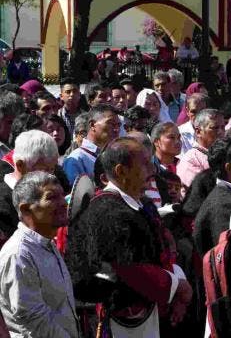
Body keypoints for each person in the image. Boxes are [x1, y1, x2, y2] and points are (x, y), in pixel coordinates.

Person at [65, 138, 192, 338]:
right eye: (145, 164)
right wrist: (176, 286)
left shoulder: (141, 205)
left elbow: (164, 248)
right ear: (121, 171)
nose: (153, 171)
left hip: (147, 315)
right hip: (122, 321)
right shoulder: (107, 213)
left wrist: (177, 280)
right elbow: (128, 270)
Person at [0, 172, 76, 338]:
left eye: (62, 195)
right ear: (26, 209)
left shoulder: (46, 243)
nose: (63, 203)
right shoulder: (19, 254)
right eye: (51, 198)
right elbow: (34, 319)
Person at [0, 130, 59, 245]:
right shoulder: (3, 206)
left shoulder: (45, 190)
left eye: (52, 169)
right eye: (44, 170)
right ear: (21, 166)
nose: (50, 176)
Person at [62, 105, 120, 185]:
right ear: (92, 125)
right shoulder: (76, 159)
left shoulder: (115, 156)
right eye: (111, 123)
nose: (116, 129)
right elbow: (74, 195)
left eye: (118, 125)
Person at [176, 109, 225, 190]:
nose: (220, 132)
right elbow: (203, 190)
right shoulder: (190, 160)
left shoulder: (226, 154)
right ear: (198, 132)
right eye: (214, 128)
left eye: (223, 127)